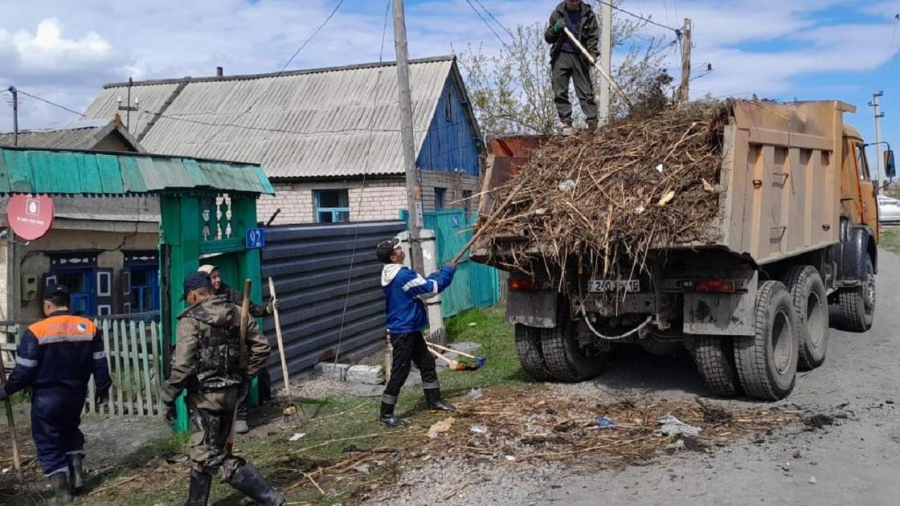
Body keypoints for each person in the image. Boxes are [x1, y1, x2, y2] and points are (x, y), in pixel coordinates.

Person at [160, 272, 284, 506]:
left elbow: (184, 364)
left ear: (194, 294)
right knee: (206, 446)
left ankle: (268, 496)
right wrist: (246, 373)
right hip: (231, 394)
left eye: (187, 296)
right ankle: (195, 503)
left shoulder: (191, 320)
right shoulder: (237, 312)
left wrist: (168, 396)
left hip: (205, 398)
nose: (188, 300)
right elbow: (262, 347)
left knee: (211, 454)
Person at [0, 285, 111, 504]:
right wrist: (102, 389)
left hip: (46, 397)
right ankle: (77, 475)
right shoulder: (88, 327)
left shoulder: (36, 331)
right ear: (68, 302)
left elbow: (24, 370)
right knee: (70, 430)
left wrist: (6, 391)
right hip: (76, 394)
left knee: (47, 439)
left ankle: (62, 493)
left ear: (47, 304)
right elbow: (100, 363)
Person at [376, 238, 456, 427]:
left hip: (409, 328)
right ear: (394, 257)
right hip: (403, 331)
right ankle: (386, 414)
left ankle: (434, 401)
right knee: (400, 372)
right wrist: (448, 271)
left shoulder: (391, 273)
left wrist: (436, 275)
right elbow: (430, 289)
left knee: (427, 363)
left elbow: (421, 285)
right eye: (397, 248)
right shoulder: (402, 275)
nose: (401, 248)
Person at [198, 264, 278, 434]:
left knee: (242, 378)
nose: (218, 279)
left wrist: (267, 309)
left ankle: (241, 416)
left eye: (218, 276)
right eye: (213, 277)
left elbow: (252, 308)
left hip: (236, 343)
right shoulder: (198, 297)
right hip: (213, 349)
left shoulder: (229, 293)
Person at [544, 0, 601, 131]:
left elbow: (593, 37)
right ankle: (565, 121)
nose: (574, 2)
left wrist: (592, 54)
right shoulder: (557, 14)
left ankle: (592, 123)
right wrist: (555, 29)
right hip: (561, 56)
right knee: (560, 91)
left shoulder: (588, 15)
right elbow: (548, 37)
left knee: (585, 91)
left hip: (580, 56)